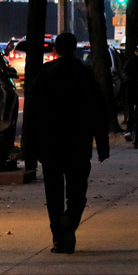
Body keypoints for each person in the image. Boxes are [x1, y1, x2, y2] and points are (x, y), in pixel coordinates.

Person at [23, 31, 110, 254]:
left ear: (54, 51)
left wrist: (29, 152)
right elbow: (98, 111)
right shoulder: (85, 75)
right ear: (74, 50)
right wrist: (102, 145)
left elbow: (31, 115)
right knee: (77, 192)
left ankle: (58, 239)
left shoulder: (43, 77)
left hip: (50, 145)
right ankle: (70, 220)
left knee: (53, 194)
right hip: (78, 144)